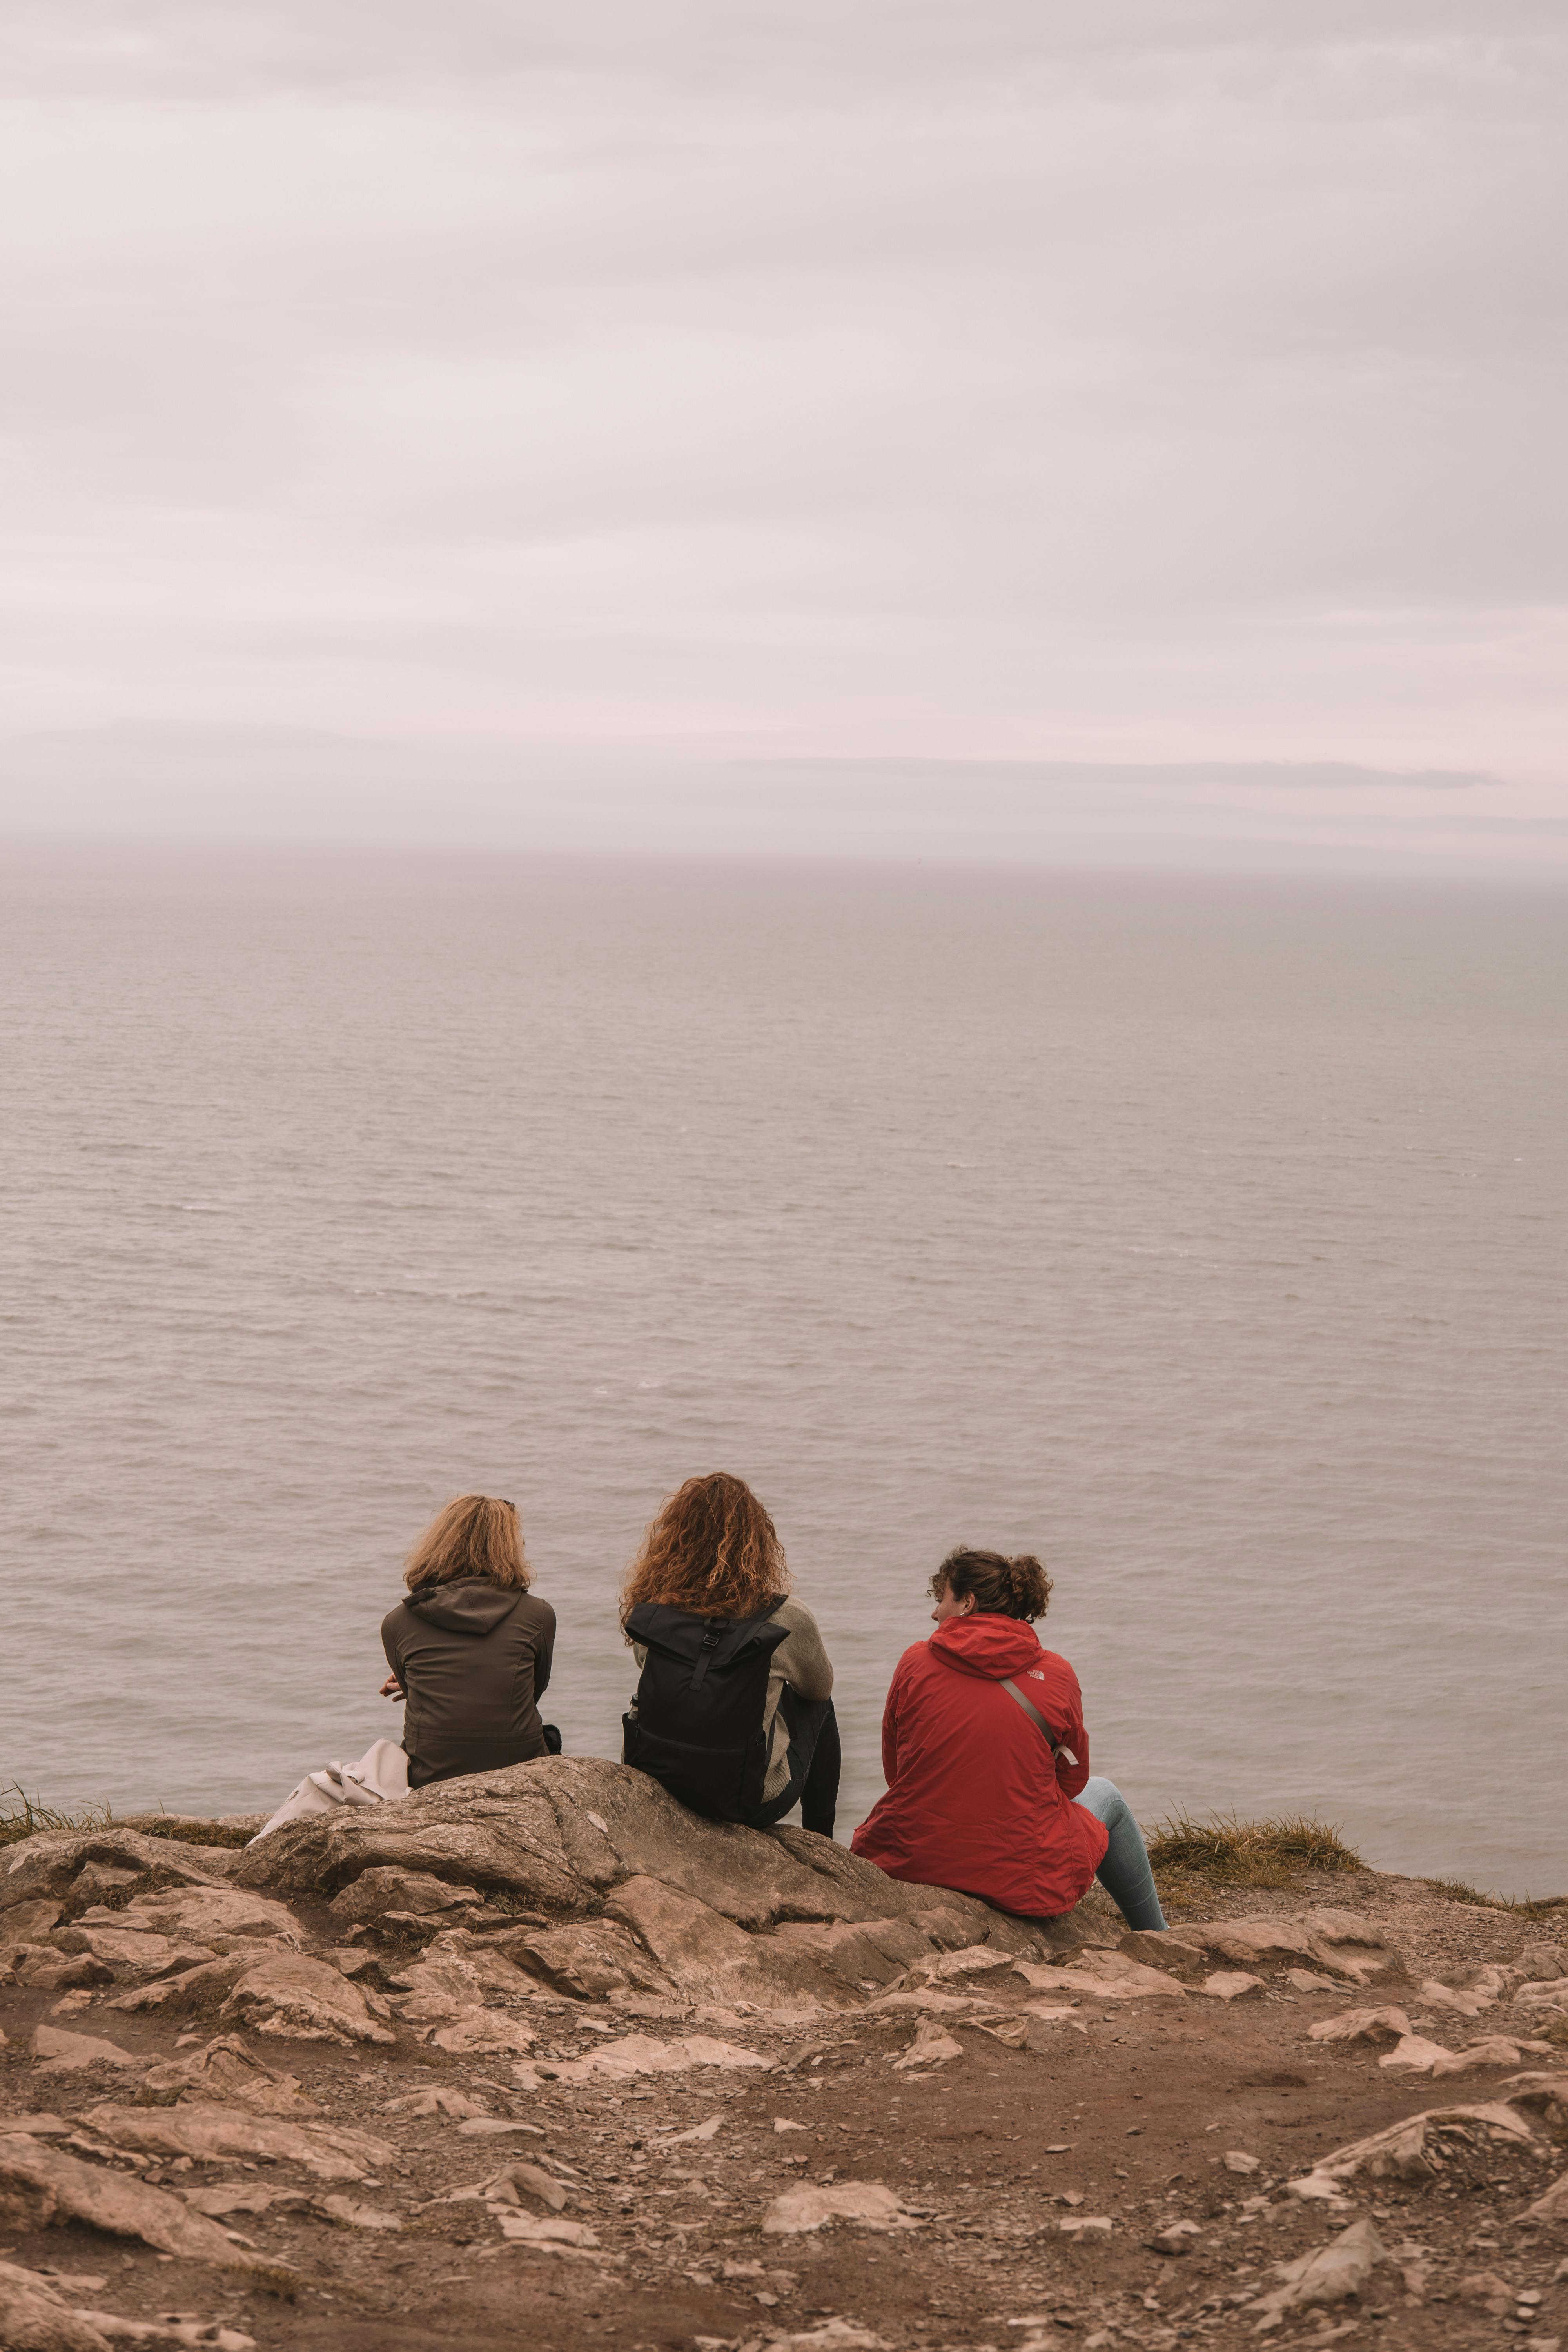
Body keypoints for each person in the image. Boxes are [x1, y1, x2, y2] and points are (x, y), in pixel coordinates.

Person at [851, 1546, 1166, 1930]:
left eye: (942, 1599)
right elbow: (1073, 1782)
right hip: (1021, 1882)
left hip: (914, 1862)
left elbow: (896, 1771)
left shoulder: (914, 1662)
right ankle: (1156, 1936)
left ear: (966, 1602)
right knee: (1107, 1796)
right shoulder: (1057, 1673)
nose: (935, 1613)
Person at [620, 1472, 838, 1835]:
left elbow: (646, 1662)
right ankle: (822, 1837)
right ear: (758, 1540)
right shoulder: (787, 1618)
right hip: (745, 1801)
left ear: (675, 1539)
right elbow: (819, 1689)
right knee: (820, 1704)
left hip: (656, 1779)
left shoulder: (655, 1609)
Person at [380, 1494, 559, 1788]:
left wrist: (418, 1682)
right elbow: (531, 1692)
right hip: (518, 1769)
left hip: (430, 1776)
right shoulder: (539, 1615)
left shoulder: (397, 1622)